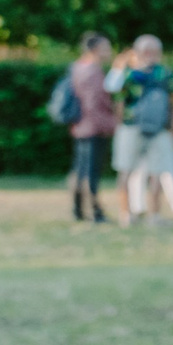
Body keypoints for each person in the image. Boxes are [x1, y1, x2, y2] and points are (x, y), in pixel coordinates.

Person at [116, 36, 173, 223]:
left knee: (126, 171)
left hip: (130, 127)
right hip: (159, 129)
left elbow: (119, 101)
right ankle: (154, 216)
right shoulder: (165, 73)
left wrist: (118, 125)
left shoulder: (129, 74)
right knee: (156, 173)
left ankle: (126, 215)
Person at [62, 33, 117, 223]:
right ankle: (95, 211)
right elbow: (95, 104)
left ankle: (78, 210)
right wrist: (111, 124)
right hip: (94, 128)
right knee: (90, 173)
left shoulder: (77, 67)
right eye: (106, 48)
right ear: (95, 50)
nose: (109, 52)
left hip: (80, 127)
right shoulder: (92, 72)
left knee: (80, 170)